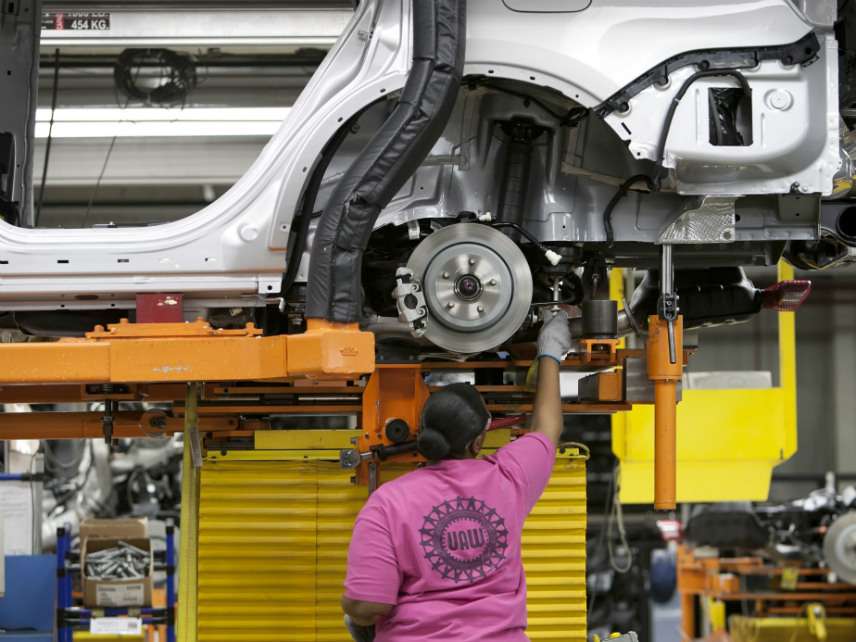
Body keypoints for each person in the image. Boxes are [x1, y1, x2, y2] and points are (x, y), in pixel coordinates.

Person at [341, 310, 573, 642]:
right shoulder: (509, 478)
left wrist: (353, 611)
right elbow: (547, 427)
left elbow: (366, 605)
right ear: (478, 440)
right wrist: (550, 351)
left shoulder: (388, 504)